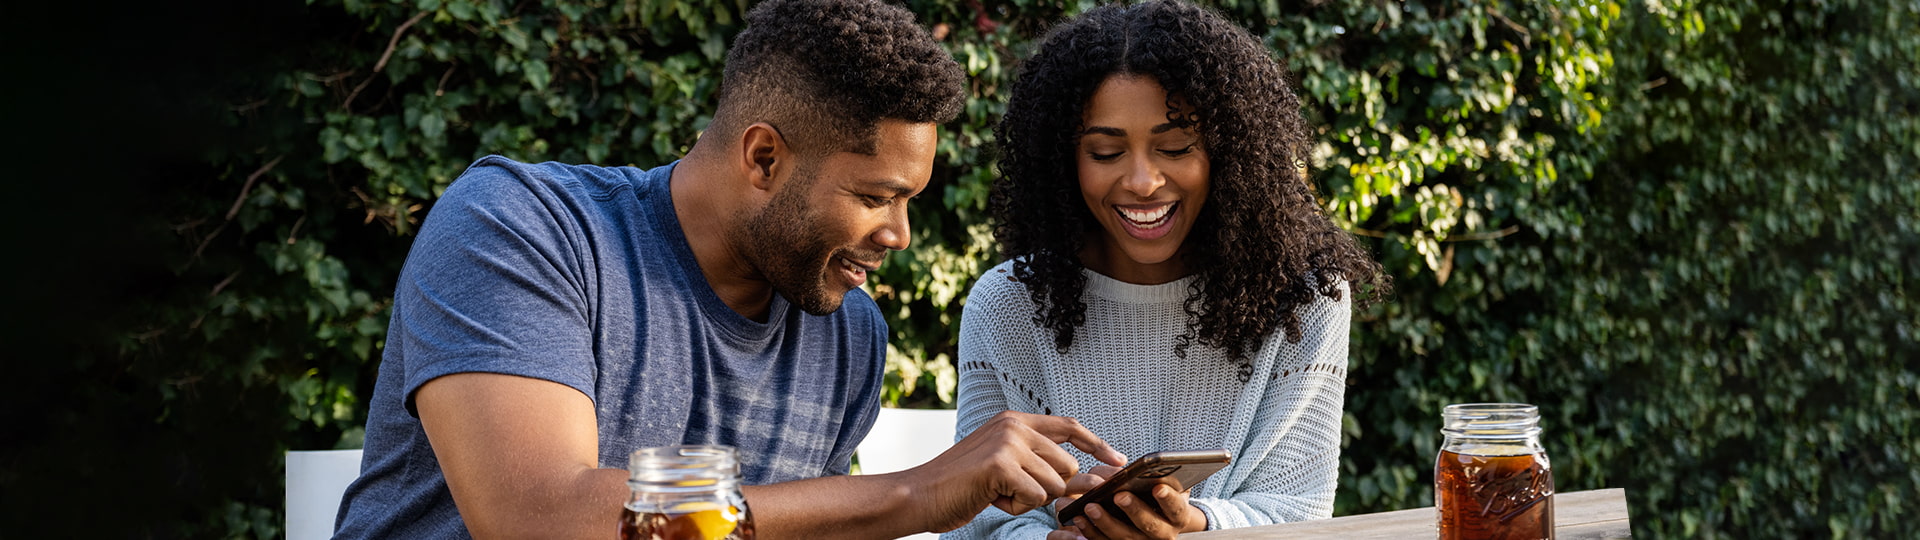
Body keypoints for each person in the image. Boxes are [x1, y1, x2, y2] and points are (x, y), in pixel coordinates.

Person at [333, 0, 1125, 538]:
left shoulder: (846, 332)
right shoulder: (523, 226)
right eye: (876, 196)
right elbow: (537, 515)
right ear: (764, 156)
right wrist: (915, 491)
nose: (900, 235)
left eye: (909, 200)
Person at [946, 1, 1388, 539]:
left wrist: (1193, 525)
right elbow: (976, 524)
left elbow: (1296, 510)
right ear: (1064, 161)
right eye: (1105, 152)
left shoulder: (1302, 300)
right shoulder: (1007, 304)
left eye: (1175, 146)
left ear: (1228, 152)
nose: (1142, 181)